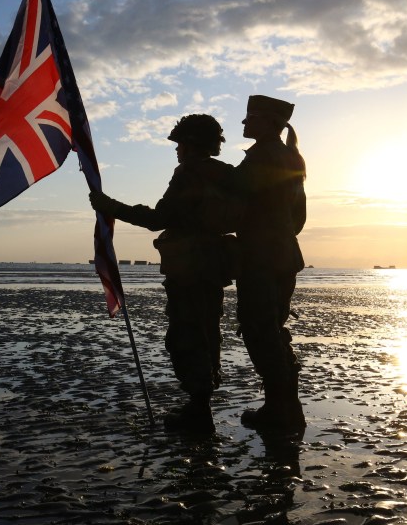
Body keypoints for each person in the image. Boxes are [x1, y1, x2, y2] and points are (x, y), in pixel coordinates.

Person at [89, 114, 240, 434]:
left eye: (180, 143)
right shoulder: (226, 173)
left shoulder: (189, 173)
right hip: (214, 268)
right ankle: (202, 406)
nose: (177, 150)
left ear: (190, 144)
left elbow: (158, 219)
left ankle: (199, 412)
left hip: (189, 268)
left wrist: (110, 206)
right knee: (208, 333)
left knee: (186, 336)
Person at [227, 94, 307, 436]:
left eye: (251, 118)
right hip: (284, 255)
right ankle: (289, 408)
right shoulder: (291, 156)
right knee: (275, 331)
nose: (244, 124)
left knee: (261, 333)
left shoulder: (262, 155)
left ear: (269, 123)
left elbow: (235, 193)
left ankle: (279, 410)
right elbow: (299, 216)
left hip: (260, 257)